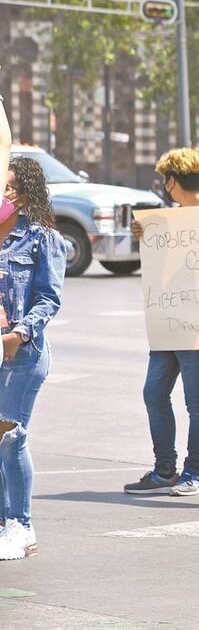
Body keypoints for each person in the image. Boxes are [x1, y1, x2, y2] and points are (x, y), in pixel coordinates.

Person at [124, 149, 199, 497]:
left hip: (198, 326)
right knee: (154, 393)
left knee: (197, 402)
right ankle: (165, 469)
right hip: (168, 321)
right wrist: (144, 237)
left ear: (172, 181)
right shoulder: (168, 219)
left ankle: (192, 473)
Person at [0, 142, 68, 561]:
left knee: (8, 435)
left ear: (22, 196)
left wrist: (19, 334)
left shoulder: (43, 238)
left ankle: (20, 525)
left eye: (6, 188)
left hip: (21, 355)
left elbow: (49, 298)